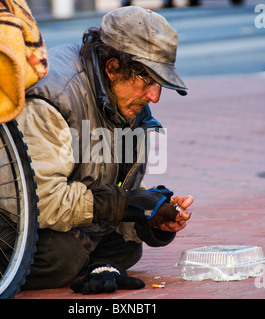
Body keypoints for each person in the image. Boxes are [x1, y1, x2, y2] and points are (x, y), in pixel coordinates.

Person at [16, 6, 194, 293]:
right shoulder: (54, 98)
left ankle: (93, 263)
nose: (154, 97)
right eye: (148, 80)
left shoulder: (129, 104)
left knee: (128, 247)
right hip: (6, 219)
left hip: (73, 216)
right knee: (62, 256)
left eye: (160, 84)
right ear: (112, 68)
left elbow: (120, 185)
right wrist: (125, 204)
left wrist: (151, 216)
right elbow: (39, 201)